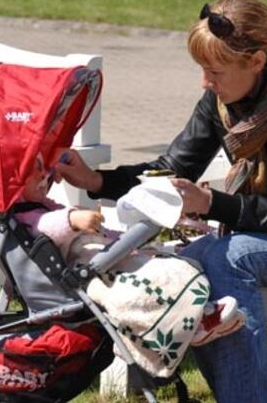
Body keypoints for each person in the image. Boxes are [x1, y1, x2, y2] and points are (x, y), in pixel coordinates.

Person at [53, 0, 267, 403]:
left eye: (215, 72)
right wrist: (98, 180)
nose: (205, 83)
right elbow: (174, 167)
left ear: (258, 61)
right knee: (184, 262)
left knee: (230, 257)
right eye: (203, 70)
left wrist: (209, 203)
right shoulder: (225, 98)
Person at [15, 153, 246, 378]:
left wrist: (120, 240)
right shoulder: (26, 215)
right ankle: (196, 323)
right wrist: (72, 219)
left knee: (162, 268)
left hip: (101, 260)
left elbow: (95, 232)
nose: (45, 176)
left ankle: (196, 315)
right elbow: (44, 226)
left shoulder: (43, 204)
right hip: (87, 272)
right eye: (35, 170)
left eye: (45, 169)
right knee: (139, 288)